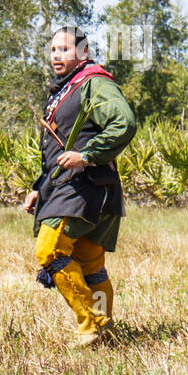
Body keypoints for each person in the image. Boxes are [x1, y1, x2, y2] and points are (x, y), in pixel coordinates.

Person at [23, 26, 136, 346]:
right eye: (53, 49)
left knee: (49, 250)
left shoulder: (94, 83)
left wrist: (87, 156)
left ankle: (91, 324)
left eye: (65, 49)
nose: (56, 55)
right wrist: (39, 187)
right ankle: (103, 329)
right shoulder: (66, 88)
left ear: (84, 52)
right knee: (89, 263)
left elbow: (124, 123)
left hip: (85, 187)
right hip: (68, 186)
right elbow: (59, 148)